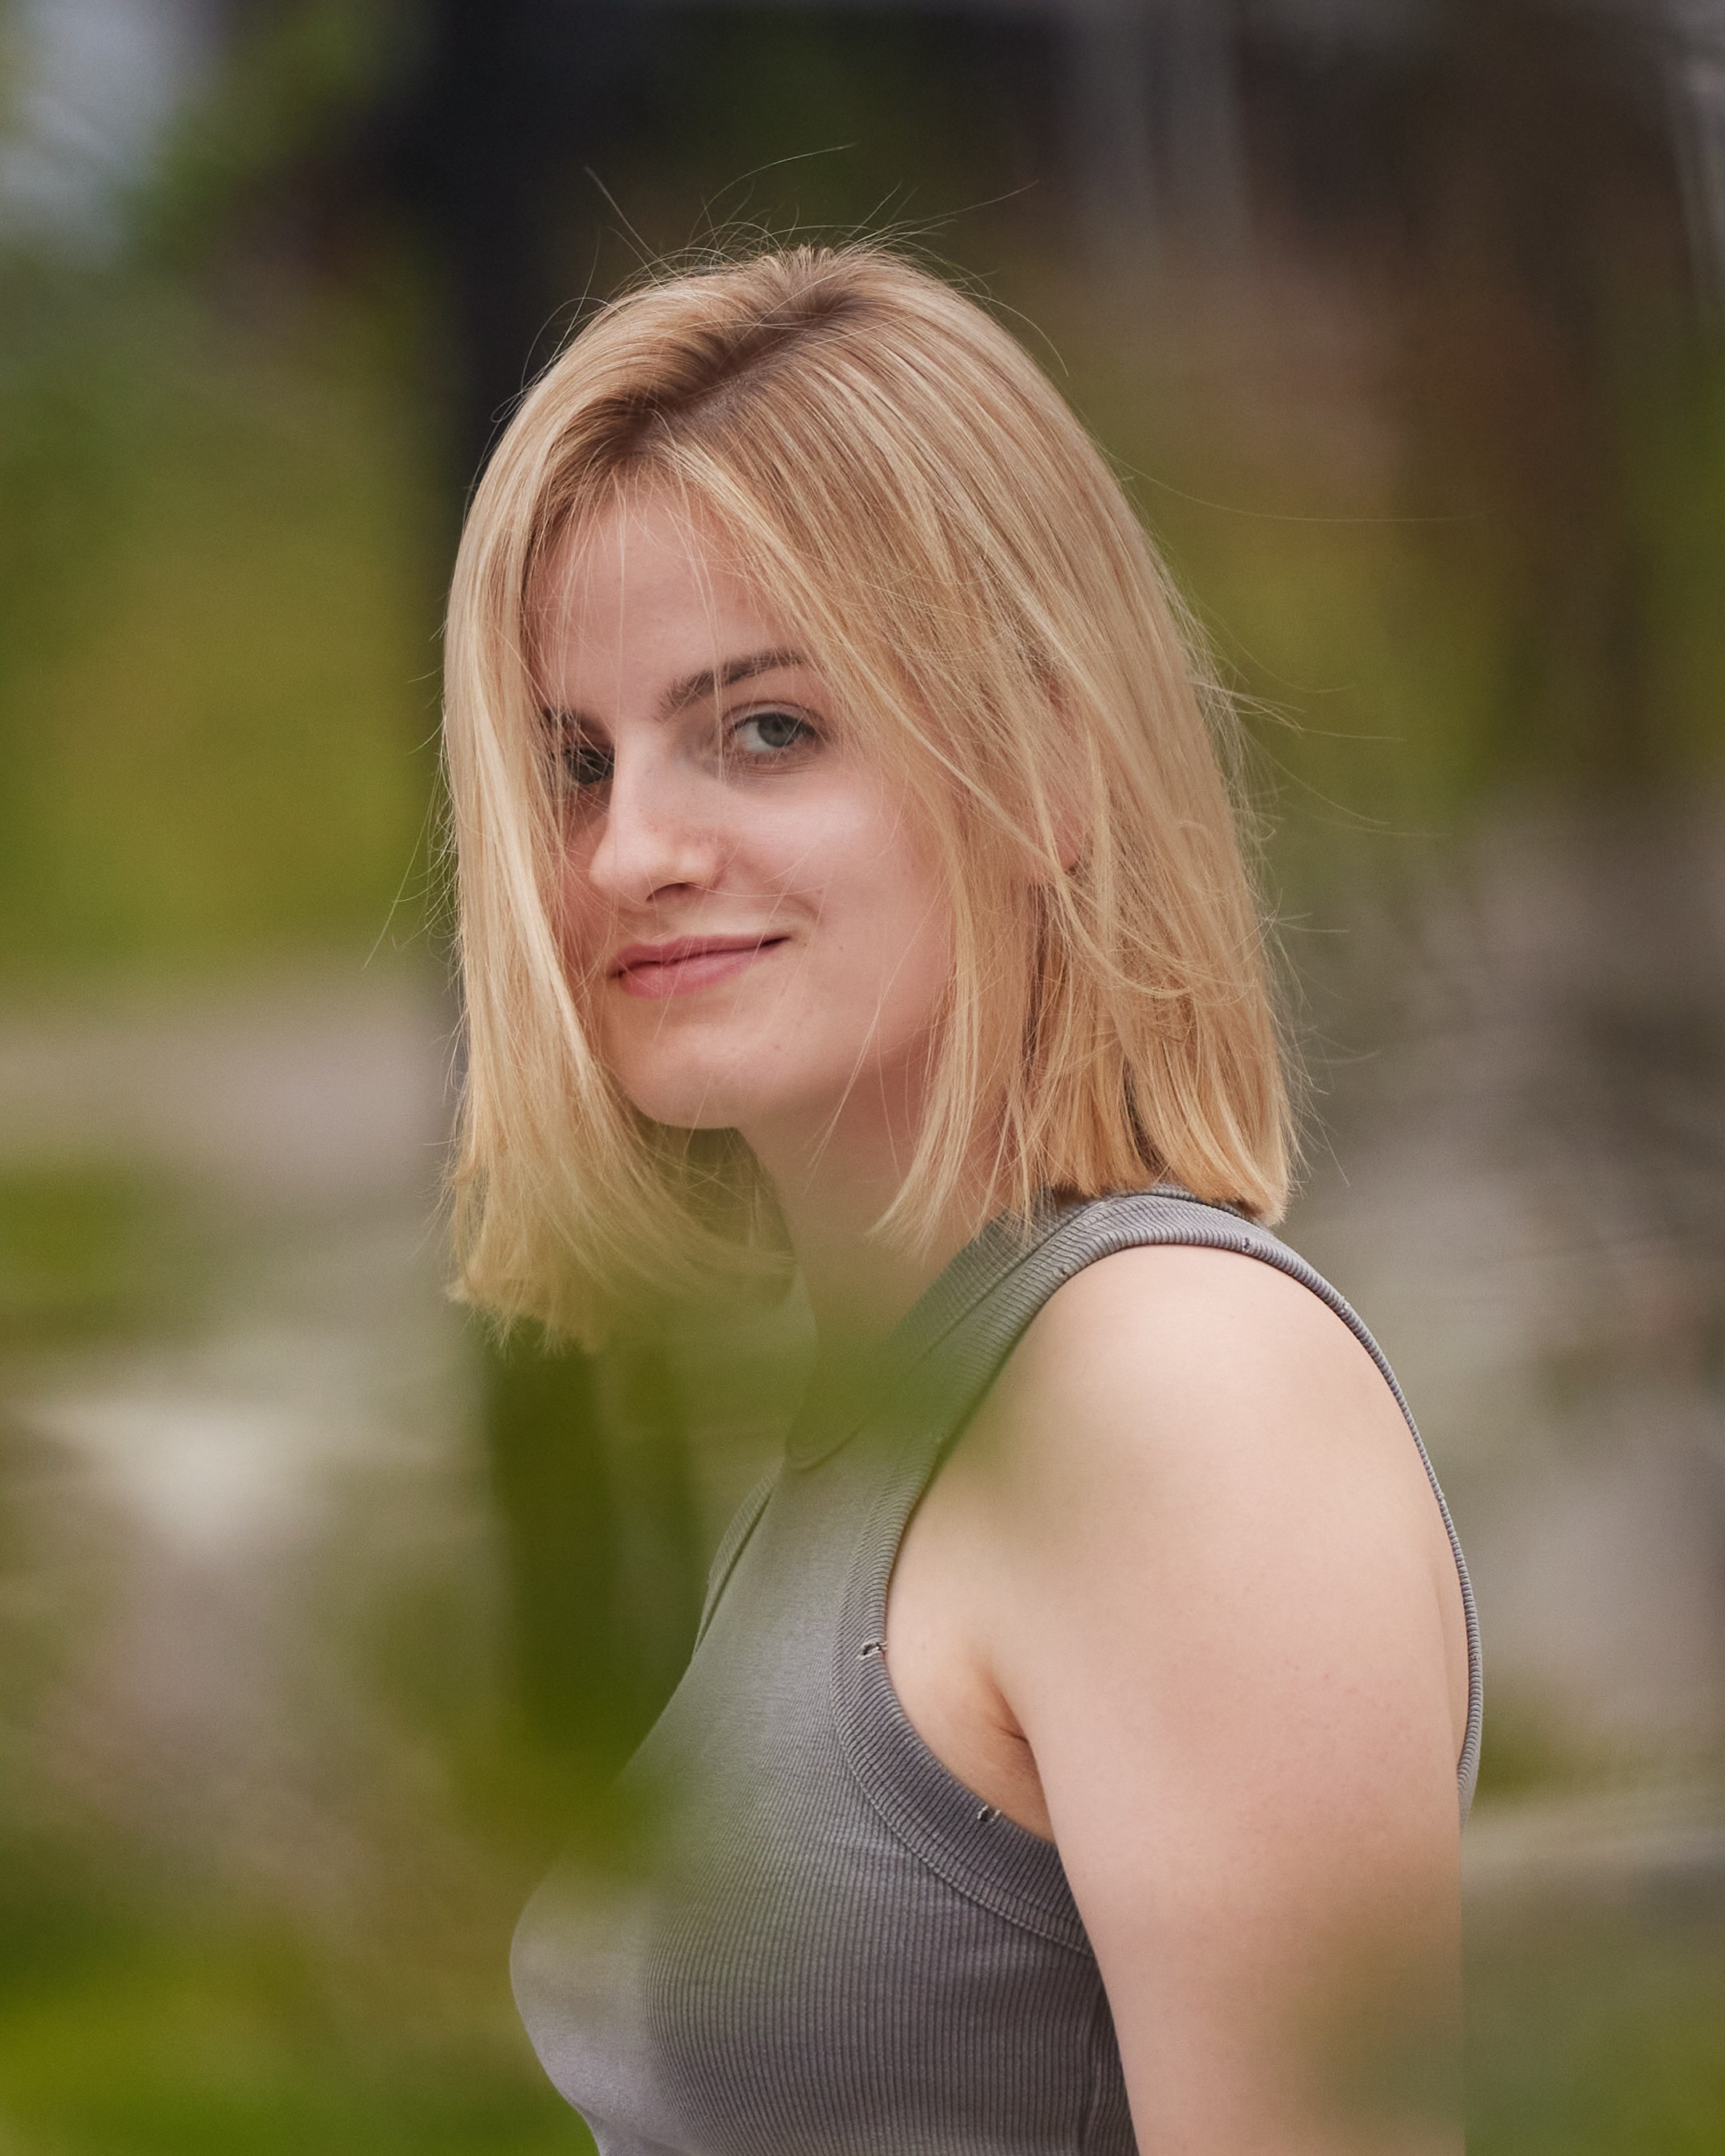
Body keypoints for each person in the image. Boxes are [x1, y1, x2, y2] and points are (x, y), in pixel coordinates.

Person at [441, 245, 1481, 2156]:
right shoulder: (878, 1419)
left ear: (1047, 766)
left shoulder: (1173, 1397)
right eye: (575, 762)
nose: (628, 852)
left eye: (766, 728)